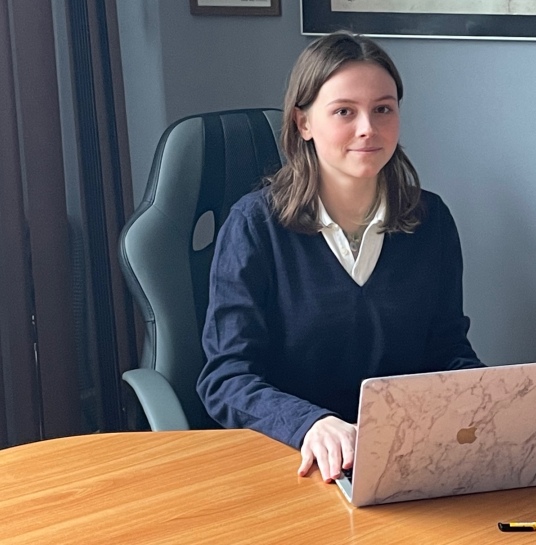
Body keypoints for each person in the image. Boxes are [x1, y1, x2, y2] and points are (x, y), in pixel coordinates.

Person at [196, 32, 484, 484]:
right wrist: (310, 423)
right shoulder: (255, 226)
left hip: (403, 459)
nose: (368, 127)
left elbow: (447, 352)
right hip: (291, 458)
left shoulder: (430, 220)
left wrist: (495, 403)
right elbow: (227, 378)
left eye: (383, 109)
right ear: (303, 123)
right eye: (344, 111)